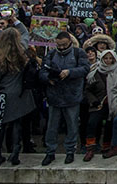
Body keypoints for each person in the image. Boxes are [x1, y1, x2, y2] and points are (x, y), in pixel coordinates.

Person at [39, 31, 89, 165]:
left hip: (72, 96)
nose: (61, 47)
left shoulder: (79, 53)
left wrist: (69, 72)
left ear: (70, 43)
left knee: (72, 125)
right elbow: (42, 71)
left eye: (64, 45)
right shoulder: (51, 54)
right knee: (52, 126)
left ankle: (70, 151)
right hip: (54, 95)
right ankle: (50, 152)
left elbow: (85, 69)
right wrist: (49, 79)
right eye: (59, 45)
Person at [0, 28, 35, 166]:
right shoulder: (23, 53)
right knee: (17, 125)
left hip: (3, 94)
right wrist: (15, 19)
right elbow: (25, 32)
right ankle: (15, 153)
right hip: (21, 94)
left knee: (0, 126)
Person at [83, 49, 117, 161]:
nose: (108, 61)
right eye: (105, 58)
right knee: (92, 123)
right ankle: (90, 148)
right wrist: (94, 100)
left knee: (109, 124)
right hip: (98, 104)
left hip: (114, 103)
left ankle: (107, 146)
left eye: (110, 58)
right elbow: (88, 90)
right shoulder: (95, 72)